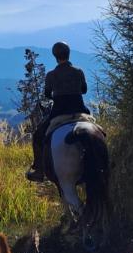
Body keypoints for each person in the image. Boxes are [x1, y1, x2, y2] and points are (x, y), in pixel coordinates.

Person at [27, 41, 90, 181]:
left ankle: (39, 170)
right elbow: (84, 90)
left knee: (38, 136)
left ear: (55, 56)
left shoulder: (51, 75)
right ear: (69, 54)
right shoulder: (79, 71)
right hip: (80, 110)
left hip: (59, 112)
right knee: (98, 130)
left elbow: (47, 94)